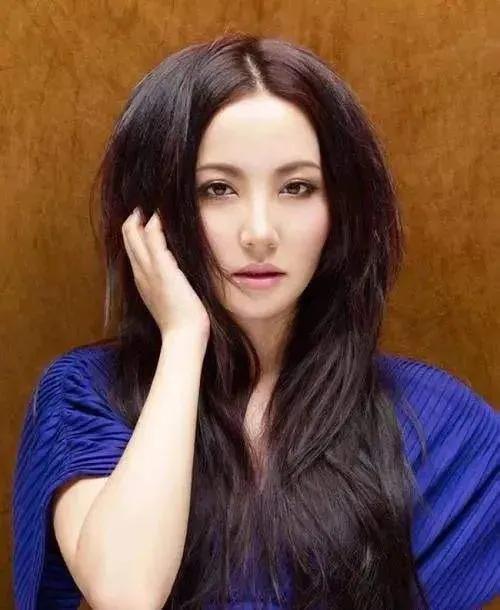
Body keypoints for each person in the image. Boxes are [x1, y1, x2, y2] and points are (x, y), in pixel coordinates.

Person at [11, 32, 499, 610]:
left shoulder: (436, 425)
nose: (260, 233)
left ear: (340, 209)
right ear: (152, 215)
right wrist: (183, 338)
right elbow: (126, 593)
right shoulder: (86, 396)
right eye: (217, 189)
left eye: (298, 187)